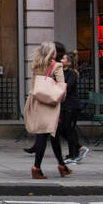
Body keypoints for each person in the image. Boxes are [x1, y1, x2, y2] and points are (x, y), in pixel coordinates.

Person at [23, 41, 70, 179]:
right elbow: (62, 87)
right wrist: (61, 99)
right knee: (44, 135)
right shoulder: (57, 65)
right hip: (50, 104)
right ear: (52, 52)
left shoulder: (36, 64)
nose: (56, 52)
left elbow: (34, 85)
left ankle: (62, 166)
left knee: (52, 135)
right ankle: (36, 168)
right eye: (54, 50)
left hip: (37, 101)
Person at [58, 46, 89, 164]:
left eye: (63, 59)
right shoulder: (61, 72)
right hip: (64, 105)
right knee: (63, 130)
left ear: (69, 62)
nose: (61, 60)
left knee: (69, 130)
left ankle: (73, 155)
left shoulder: (72, 74)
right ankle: (79, 149)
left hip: (71, 105)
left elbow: (68, 87)